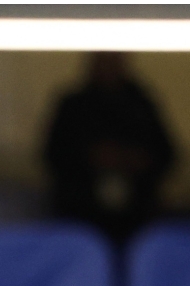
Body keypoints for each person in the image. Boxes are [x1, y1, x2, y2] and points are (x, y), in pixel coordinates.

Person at [44, 51, 174, 244]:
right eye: (104, 59)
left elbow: (168, 154)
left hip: (137, 219)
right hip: (80, 215)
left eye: (114, 59)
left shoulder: (141, 103)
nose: (109, 66)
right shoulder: (73, 105)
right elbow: (52, 155)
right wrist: (90, 158)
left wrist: (135, 159)